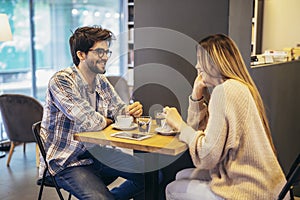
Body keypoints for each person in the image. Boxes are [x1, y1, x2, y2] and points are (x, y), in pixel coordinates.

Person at [163, 34, 287, 199]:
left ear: (214, 64)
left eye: (201, 59)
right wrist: (196, 96)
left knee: (172, 188)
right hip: (268, 187)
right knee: (181, 175)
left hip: (253, 191)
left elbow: (207, 156)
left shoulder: (225, 91)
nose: (197, 65)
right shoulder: (238, 87)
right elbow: (198, 132)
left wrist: (179, 124)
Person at [39, 26, 144, 200]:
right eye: (100, 52)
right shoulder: (62, 81)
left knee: (151, 175)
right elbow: (90, 122)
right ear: (81, 54)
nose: (105, 57)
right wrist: (112, 119)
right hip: (66, 162)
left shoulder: (100, 81)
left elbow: (119, 111)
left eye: (107, 52)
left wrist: (130, 111)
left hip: (97, 154)